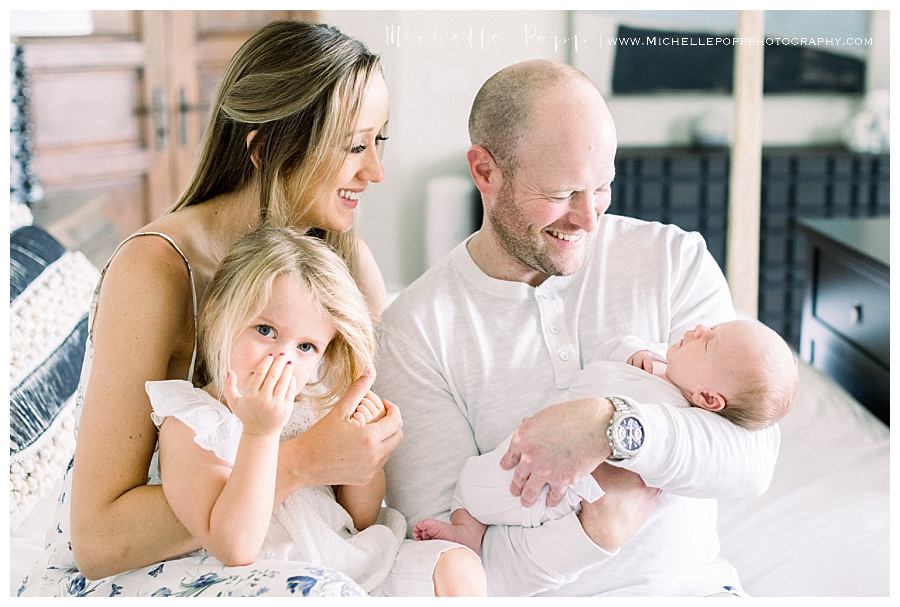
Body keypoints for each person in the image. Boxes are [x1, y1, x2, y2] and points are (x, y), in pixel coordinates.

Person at [21, 21, 405, 597]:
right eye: (354, 145)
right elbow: (97, 542)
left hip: (299, 544)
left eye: (380, 143)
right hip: (140, 567)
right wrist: (300, 462)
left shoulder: (343, 260)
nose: (375, 171)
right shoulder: (157, 271)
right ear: (264, 149)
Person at [374, 59, 781, 597]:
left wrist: (609, 426)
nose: (589, 218)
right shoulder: (415, 331)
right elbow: (457, 566)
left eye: (603, 187)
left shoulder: (672, 258)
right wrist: (598, 530)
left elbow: (751, 460)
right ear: (485, 172)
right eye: (564, 193)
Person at [147, 226, 485, 596]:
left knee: (457, 566)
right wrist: (260, 432)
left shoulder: (313, 403)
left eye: (306, 347)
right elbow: (232, 546)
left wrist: (363, 454)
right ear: (216, 314)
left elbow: (360, 517)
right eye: (265, 330)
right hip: (271, 580)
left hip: (348, 560)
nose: (284, 358)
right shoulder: (194, 422)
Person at [412, 319, 798, 554]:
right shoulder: (664, 363)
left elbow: (754, 455)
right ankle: (471, 532)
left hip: (563, 491)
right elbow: (608, 358)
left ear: (709, 399)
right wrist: (635, 352)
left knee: (488, 486)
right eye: (711, 327)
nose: (698, 329)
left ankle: (469, 532)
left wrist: (604, 428)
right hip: (537, 451)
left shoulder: (683, 412)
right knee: (477, 477)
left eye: (708, 341)